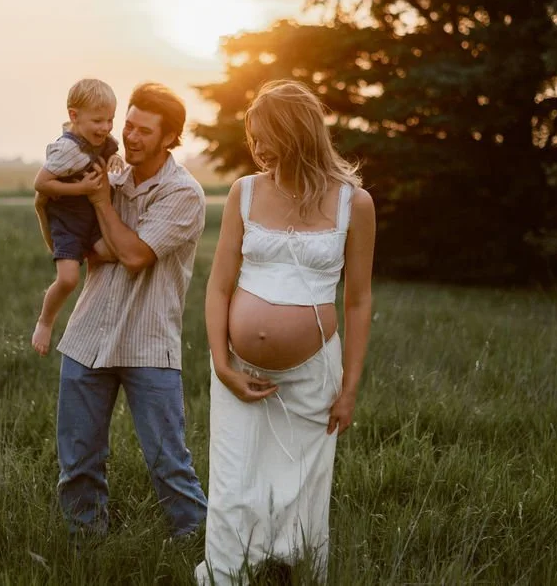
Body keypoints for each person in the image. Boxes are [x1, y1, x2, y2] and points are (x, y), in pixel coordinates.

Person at [197, 80, 376, 584]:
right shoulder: (245, 192)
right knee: (234, 482)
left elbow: (359, 299)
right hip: (238, 368)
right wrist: (221, 363)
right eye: (251, 138)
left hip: (313, 371)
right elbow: (218, 288)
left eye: (264, 136)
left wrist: (350, 388)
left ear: (295, 133)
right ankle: (225, 577)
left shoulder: (353, 204)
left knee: (300, 482)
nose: (256, 149)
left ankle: (287, 570)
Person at [50, 81, 208, 539]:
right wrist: (72, 220)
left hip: (148, 343)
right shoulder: (110, 175)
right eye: (129, 126)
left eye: (144, 131)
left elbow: (136, 256)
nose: (131, 137)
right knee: (78, 463)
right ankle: (87, 551)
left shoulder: (183, 193)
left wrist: (101, 208)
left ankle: (202, 554)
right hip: (87, 337)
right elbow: (78, 245)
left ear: (169, 137)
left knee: (169, 465)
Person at [31, 78, 124, 356]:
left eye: (110, 120)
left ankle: (82, 256)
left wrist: (115, 159)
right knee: (69, 279)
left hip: (90, 218)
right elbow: (41, 184)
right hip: (68, 223)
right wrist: (80, 188)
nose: (105, 128)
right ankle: (45, 321)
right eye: (98, 120)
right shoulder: (66, 149)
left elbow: (110, 150)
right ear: (74, 116)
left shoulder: (100, 139)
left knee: (110, 253)